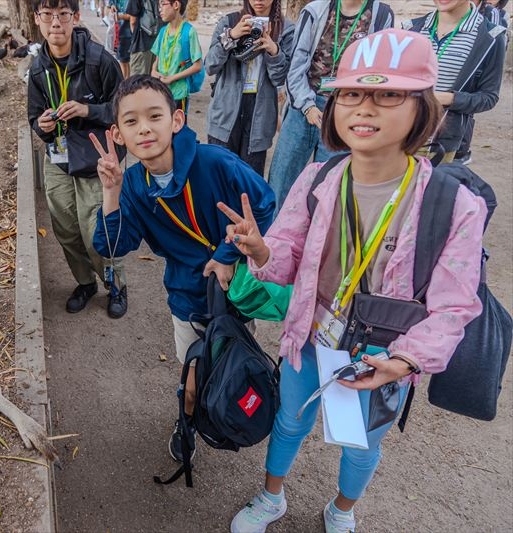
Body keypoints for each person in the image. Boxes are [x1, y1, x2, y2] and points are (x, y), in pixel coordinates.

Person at [217, 29, 486, 533]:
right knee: (290, 418)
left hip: (382, 354)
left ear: (423, 109)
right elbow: (287, 259)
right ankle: (271, 496)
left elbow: (454, 307)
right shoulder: (319, 178)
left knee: (363, 440)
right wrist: (261, 250)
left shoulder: (454, 206)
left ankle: (342, 509)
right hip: (310, 335)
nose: (365, 108)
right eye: (351, 94)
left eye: (388, 95)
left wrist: (404, 361)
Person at [90, 75, 276, 464]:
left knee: (231, 360)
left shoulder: (216, 163)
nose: (144, 128)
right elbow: (112, 245)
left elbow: (264, 203)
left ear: (176, 120)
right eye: (131, 121)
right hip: (186, 297)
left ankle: (228, 413)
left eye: (154, 116)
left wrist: (228, 255)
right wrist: (110, 191)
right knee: (192, 372)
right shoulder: (133, 185)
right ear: (118, 134)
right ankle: (188, 420)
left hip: (236, 292)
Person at [27, 0, 129, 318]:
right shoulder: (38, 68)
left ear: (75, 17)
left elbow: (125, 108)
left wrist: (89, 110)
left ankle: (116, 285)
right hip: (58, 160)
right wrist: (41, 127)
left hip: (94, 159)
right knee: (66, 229)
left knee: (95, 230)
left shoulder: (99, 60)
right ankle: (85, 283)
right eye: (47, 14)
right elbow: (33, 116)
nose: (55, 22)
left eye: (62, 15)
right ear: (37, 19)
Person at [267, 0, 394, 213]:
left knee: (330, 187)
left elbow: (380, 69)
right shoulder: (315, 11)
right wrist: (307, 106)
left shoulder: (381, 14)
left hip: (346, 110)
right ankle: (272, 240)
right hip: (305, 105)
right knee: (282, 181)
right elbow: (297, 64)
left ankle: (318, 240)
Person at [403, 0, 506, 164]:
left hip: (440, 144)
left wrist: (447, 99)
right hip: (399, 135)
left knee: (434, 189)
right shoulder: (410, 29)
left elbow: (488, 97)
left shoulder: (490, 36)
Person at [205, 0, 294, 177]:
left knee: (249, 181)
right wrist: (231, 36)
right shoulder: (229, 22)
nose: (258, 1)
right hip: (225, 112)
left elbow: (280, 78)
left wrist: (274, 51)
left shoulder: (285, 28)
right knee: (219, 178)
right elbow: (210, 66)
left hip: (259, 116)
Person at [150, 0, 203, 114]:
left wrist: (171, 78)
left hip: (179, 93)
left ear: (176, 5)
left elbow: (197, 66)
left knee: (178, 127)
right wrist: (154, 71)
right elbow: (157, 61)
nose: (160, 9)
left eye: (163, 4)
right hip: (161, 92)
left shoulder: (189, 32)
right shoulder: (163, 31)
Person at [127, 0, 162, 75]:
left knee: (138, 82)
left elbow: (133, 21)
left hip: (141, 44)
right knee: (154, 81)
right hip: (159, 43)